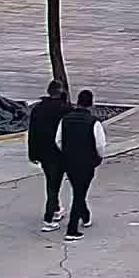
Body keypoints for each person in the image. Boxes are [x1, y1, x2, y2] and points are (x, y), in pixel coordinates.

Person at [55, 89, 106, 241]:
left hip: (69, 161)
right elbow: (100, 145)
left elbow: (58, 140)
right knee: (79, 193)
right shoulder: (94, 122)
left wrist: (67, 152)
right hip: (87, 162)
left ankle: (85, 215)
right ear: (91, 103)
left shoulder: (65, 119)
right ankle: (72, 229)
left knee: (77, 190)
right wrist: (98, 158)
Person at [27, 81, 69, 232]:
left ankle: (56, 208)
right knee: (55, 185)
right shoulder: (65, 109)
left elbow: (32, 132)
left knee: (51, 183)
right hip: (60, 153)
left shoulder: (38, 109)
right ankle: (49, 216)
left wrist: (32, 153)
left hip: (44, 152)